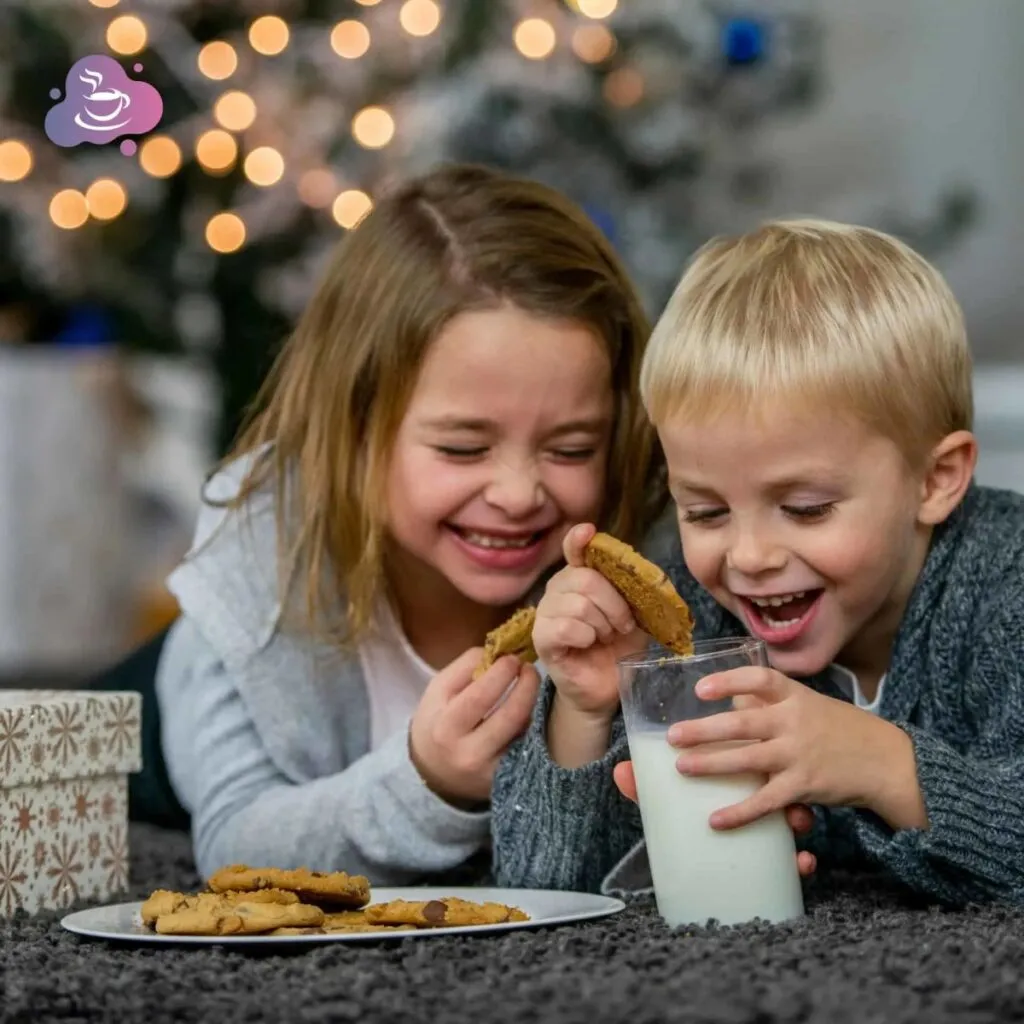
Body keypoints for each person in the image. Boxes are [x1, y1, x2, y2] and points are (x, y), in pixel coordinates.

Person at [107, 163, 668, 884]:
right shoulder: (253, 576)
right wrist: (427, 780)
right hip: (150, 711)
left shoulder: (618, 572)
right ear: (354, 427)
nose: (519, 494)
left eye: (571, 450)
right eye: (462, 448)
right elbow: (235, 846)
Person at [491, 218, 1024, 908]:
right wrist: (585, 713)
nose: (748, 557)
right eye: (705, 512)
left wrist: (881, 764)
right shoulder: (692, 624)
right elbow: (542, 891)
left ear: (935, 479)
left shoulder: (1006, 585)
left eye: (805, 508)